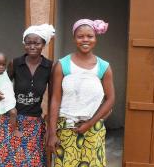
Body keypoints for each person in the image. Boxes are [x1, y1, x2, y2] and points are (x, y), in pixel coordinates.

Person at [47, 19, 115, 167]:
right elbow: (55, 99)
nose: (85, 40)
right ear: (74, 38)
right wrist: (52, 133)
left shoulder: (103, 67)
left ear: (95, 38)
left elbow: (110, 99)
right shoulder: (62, 65)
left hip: (94, 129)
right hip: (66, 128)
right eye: (80, 36)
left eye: (90, 36)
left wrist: (90, 124)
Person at [0, 24, 55, 166]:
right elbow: (1, 82)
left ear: (43, 44)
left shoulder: (49, 66)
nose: (32, 46)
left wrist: (51, 123)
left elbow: (54, 96)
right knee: (9, 160)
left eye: (36, 43)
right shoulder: (15, 63)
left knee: (33, 162)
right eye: (28, 43)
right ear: (24, 44)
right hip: (11, 120)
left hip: (34, 122)